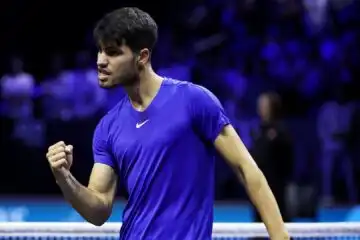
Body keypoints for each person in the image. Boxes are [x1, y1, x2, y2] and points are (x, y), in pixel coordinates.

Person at [45, 7, 288, 240]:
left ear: (142, 56)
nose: (100, 61)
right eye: (99, 51)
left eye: (112, 52)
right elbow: (99, 210)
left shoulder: (194, 100)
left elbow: (248, 171)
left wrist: (280, 236)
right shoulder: (107, 127)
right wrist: (64, 178)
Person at [251, 92, 293, 222]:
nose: (260, 109)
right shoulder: (258, 131)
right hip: (258, 185)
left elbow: (288, 160)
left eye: (264, 105)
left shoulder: (281, 131)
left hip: (276, 186)